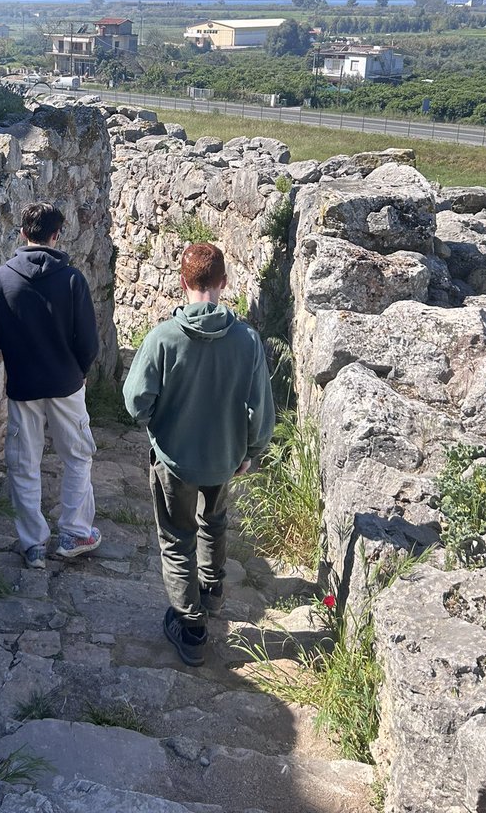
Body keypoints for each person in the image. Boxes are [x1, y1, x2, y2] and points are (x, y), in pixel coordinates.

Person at [123, 242, 275, 667]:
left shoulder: (163, 338)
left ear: (182, 282)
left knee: (177, 536)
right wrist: (252, 449)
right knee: (215, 519)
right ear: (224, 283)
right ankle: (212, 591)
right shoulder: (247, 341)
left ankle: (191, 628)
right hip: (225, 456)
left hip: (174, 458)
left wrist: (159, 423)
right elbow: (260, 406)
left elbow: (136, 402)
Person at [0, 201, 102, 569]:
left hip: (23, 383)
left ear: (22, 232)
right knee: (77, 455)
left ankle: (33, 543)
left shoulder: (0, 278)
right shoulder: (71, 279)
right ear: (56, 235)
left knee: (23, 462)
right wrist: (78, 371)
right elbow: (89, 342)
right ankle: (75, 531)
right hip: (66, 381)